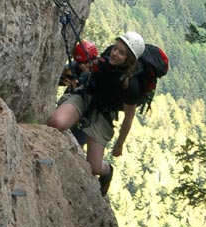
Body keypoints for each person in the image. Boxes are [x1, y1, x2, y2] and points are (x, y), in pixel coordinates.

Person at [48, 31, 146, 196]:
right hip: (87, 96)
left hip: (103, 115)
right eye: (116, 48)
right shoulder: (107, 56)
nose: (115, 53)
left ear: (129, 59)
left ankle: (107, 171)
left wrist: (119, 144)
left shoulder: (131, 86)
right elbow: (95, 71)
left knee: (94, 167)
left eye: (121, 53)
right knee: (56, 122)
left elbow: (128, 119)